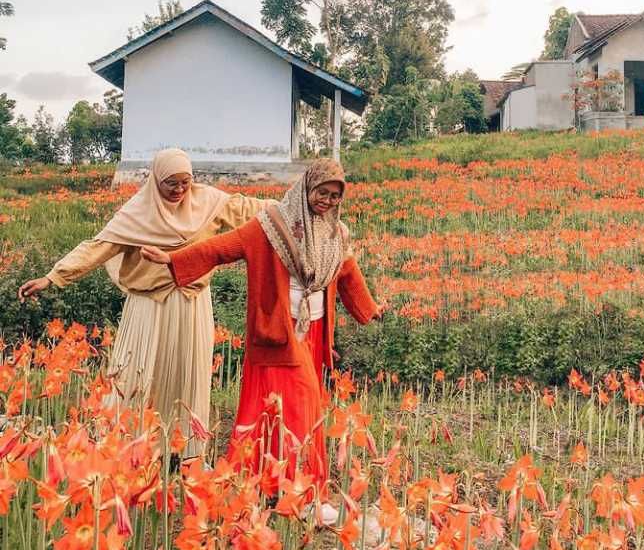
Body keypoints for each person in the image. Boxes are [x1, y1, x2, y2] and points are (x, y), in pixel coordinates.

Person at [140, 158, 381, 515]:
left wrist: (369, 308)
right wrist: (173, 259)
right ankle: (305, 493)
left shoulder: (336, 233)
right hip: (278, 329)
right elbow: (223, 247)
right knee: (304, 400)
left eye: (334, 196)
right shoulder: (270, 226)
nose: (328, 201)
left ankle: (266, 482)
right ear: (305, 188)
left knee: (282, 410)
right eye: (322, 193)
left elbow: (347, 272)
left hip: (313, 329)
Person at [18, 148, 270, 457]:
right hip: (150, 307)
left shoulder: (210, 203)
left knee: (187, 376)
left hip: (193, 303)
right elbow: (98, 247)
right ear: (155, 181)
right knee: (138, 376)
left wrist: (298, 206)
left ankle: (183, 450)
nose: (179, 190)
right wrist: (53, 276)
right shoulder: (137, 213)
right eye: (170, 184)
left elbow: (250, 209)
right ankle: (129, 446)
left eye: (185, 183)